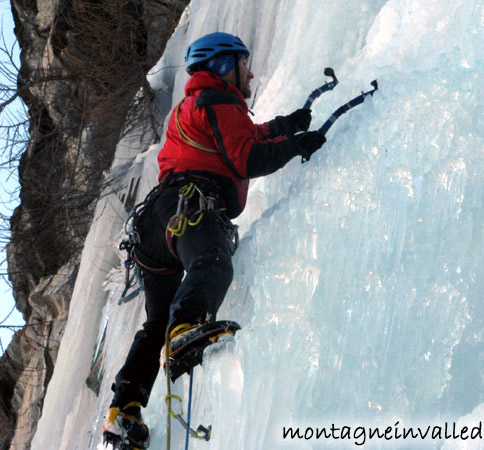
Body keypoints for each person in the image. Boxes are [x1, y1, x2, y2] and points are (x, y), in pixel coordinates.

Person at [102, 32, 326, 448]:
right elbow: (248, 157)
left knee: (155, 323)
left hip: (156, 225)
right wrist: (295, 145)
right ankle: (188, 327)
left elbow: (247, 137)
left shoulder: (200, 105)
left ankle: (123, 410)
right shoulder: (217, 100)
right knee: (213, 263)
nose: (252, 73)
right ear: (224, 65)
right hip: (190, 207)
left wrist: (288, 126)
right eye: (245, 64)